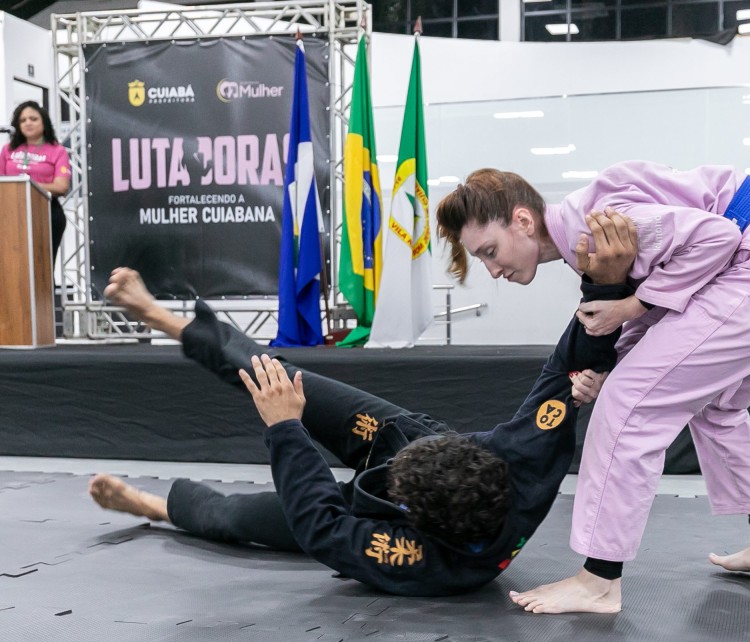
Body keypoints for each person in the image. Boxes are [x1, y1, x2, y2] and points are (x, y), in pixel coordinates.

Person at [87, 212, 636, 598]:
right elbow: (567, 364)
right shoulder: (523, 457)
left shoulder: (428, 563)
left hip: (383, 506)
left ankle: (153, 506)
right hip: (415, 442)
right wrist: (605, 283)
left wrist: (285, 430)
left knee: (236, 517)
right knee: (277, 375)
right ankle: (159, 315)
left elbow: (321, 526)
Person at [435, 160, 750, 613]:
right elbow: (672, 301)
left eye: (490, 251)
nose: (492, 270)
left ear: (522, 221)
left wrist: (632, 308)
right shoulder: (586, 230)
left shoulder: (596, 225)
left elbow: (717, 238)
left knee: (628, 406)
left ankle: (599, 582)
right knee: (719, 407)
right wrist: (613, 363)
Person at [1, 101, 70, 263]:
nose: (28, 123)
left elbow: (61, 187)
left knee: (42, 266)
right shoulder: (8, 149)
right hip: (11, 213)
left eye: (33, 119)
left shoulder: (57, 151)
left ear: (44, 122)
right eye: (23, 120)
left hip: (46, 213)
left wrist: (27, 184)